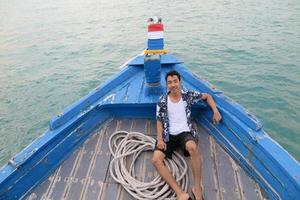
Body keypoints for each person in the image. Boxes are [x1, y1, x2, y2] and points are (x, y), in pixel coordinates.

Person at [152, 70, 222, 200]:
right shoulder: (162, 101)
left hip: (185, 133)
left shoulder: (188, 95)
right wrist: (160, 140)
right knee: (156, 159)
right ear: (166, 85)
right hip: (168, 136)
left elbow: (207, 96)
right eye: (169, 82)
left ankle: (197, 188)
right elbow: (159, 120)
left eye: (175, 81)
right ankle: (180, 193)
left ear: (180, 82)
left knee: (193, 147)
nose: (173, 85)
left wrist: (215, 110)